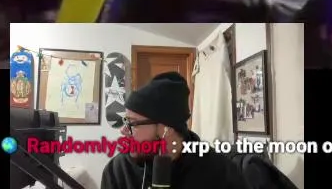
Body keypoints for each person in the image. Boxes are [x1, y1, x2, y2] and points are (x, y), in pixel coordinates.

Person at [100, 72, 249, 189]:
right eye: (125, 121)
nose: (123, 130)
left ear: (166, 128)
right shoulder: (117, 171)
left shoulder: (219, 170)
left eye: (132, 123)